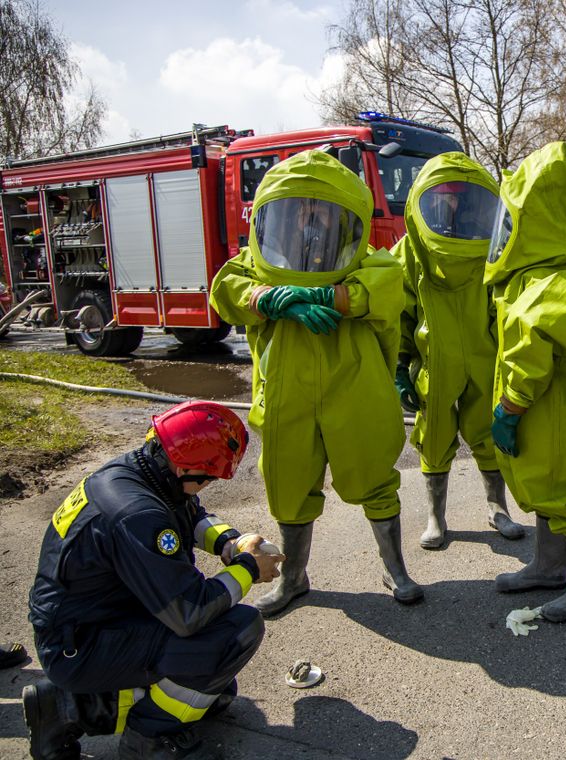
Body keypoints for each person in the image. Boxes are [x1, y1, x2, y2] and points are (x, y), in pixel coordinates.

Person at [209, 149, 423, 615]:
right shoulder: (259, 260)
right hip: (288, 387)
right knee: (288, 481)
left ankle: (395, 568)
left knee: (374, 474)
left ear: (340, 216)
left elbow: (387, 285)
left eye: (320, 211)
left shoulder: (368, 260)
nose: (308, 222)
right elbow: (226, 290)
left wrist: (331, 295)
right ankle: (293, 578)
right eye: (299, 210)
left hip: (355, 384)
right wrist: (271, 297)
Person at [23, 400, 281, 760]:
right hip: (81, 646)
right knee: (233, 634)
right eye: (206, 478)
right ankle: (150, 738)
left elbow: (190, 515)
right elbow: (189, 612)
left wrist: (231, 542)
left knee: (213, 684)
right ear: (185, 466)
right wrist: (249, 569)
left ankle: (67, 706)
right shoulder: (138, 514)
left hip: (85, 625)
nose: (206, 485)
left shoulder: (142, 471)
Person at [484, 141, 566, 623]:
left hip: (551, 403)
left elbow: (532, 349)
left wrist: (510, 408)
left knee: (563, 491)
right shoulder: (556, 266)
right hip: (547, 402)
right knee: (545, 485)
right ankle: (547, 566)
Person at [390, 152, 525, 549]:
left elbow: (504, 306)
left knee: (488, 433)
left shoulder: (490, 246)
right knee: (434, 437)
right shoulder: (410, 252)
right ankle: (436, 516)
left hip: (485, 358)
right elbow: (400, 313)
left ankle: (497, 507)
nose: (449, 206)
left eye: (459, 198)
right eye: (441, 198)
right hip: (432, 362)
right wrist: (400, 366)